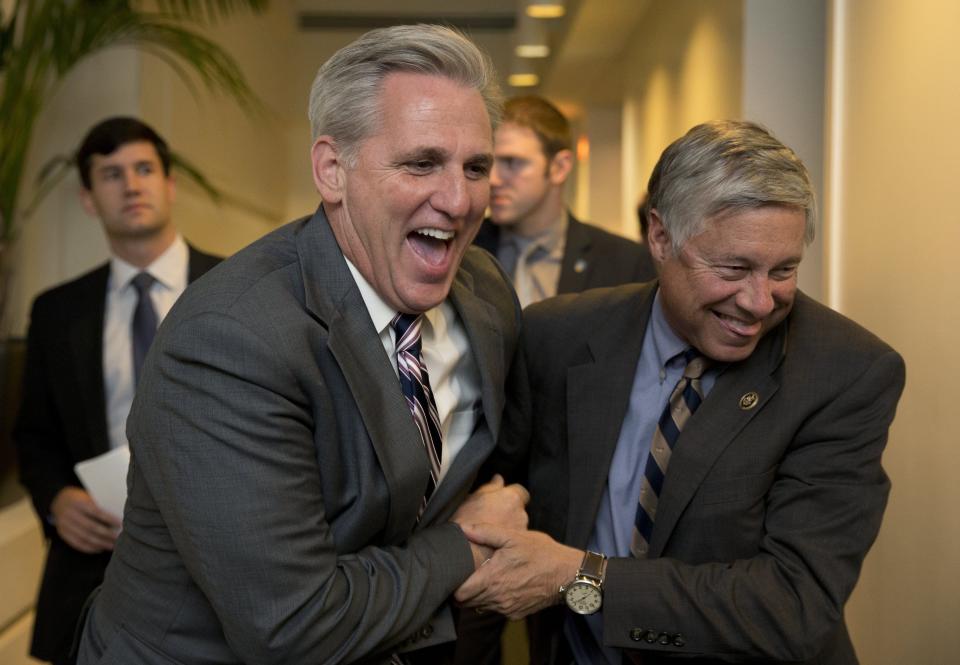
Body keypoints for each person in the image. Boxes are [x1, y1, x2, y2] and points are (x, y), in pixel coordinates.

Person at [76, 24, 528, 665]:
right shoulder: (229, 341)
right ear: (331, 170)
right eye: (421, 162)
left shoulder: (482, 288)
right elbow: (291, 626)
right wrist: (466, 544)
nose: (458, 200)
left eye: (476, 167)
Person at [456, 120, 906, 664]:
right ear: (661, 237)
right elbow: (493, 536)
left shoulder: (846, 372)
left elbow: (794, 605)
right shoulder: (557, 338)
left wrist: (583, 578)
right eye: (733, 268)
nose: (760, 302)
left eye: (783, 270)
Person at [13, 116, 220, 665]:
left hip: (219, 565)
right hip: (92, 573)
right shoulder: (57, 312)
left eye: (144, 169)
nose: (131, 185)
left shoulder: (240, 288)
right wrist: (57, 500)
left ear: (170, 184)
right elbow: (34, 436)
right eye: (111, 175)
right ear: (88, 199)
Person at [473, 95, 654, 308]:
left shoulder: (626, 264)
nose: (493, 179)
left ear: (559, 167)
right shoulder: (463, 251)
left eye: (512, 162)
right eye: (488, 163)